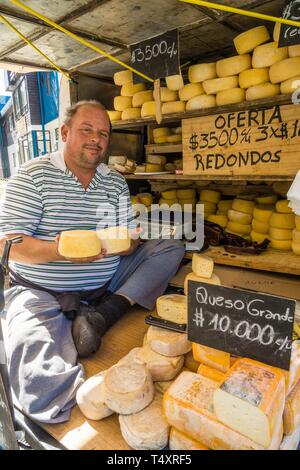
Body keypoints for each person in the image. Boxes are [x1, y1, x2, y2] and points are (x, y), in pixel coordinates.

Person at [0, 100, 185, 424]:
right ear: (65, 132)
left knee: (170, 246)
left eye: (103, 133)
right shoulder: (34, 175)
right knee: (38, 383)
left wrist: (128, 244)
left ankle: (105, 313)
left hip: (106, 281)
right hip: (41, 290)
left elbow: (129, 236)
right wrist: (60, 252)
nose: (96, 139)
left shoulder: (113, 182)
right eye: (86, 130)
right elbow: (6, 243)